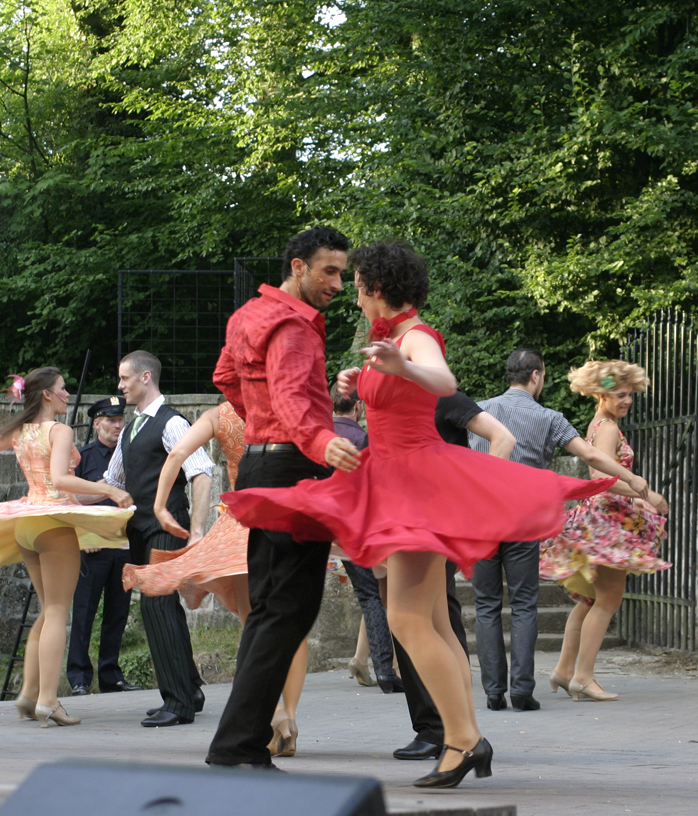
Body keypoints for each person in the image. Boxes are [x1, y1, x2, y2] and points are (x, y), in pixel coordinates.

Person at [224, 240, 618, 788]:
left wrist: (401, 363)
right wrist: (354, 382)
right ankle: (464, 735)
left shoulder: (415, 336)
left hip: (414, 484)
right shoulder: (388, 340)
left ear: (374, 288)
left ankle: (462, 739)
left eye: (354, 282)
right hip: (395, 480)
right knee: (433, 620)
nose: (349, 292)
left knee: (407, 619)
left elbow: (442, 382)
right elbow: (394, 390)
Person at [205, 225, 361, 770]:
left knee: (272, 607)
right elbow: (294, 398)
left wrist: (261, 426)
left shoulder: (248, 315)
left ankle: (237, 742)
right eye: (329, 271)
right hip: (295, 468)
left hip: (260, 464)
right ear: (297, 266)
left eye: (343, 272)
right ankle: (238, 745)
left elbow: (226, 376)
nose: (338, 283)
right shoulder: (295, 327)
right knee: (287, 609)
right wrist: (319, 439)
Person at [0, 367, 134, 728]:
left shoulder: (22, 430)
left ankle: (29, 694)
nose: (66, 394)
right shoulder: (58, 431)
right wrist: (110, 490)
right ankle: (48, 700)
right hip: (52, 522)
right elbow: (60, 479)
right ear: (47, 394)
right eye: (62, 389)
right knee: (59, 611)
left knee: (47, 611)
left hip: (27, 524)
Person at [123, 401, 311, 757]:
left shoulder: (219, 415)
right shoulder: (288, 404)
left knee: (252, 622)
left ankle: (272, 716)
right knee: (291, 621)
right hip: (288, 514)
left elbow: (178, 452)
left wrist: (160, 504)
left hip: (241, 523)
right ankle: (289, 714)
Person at [468, 348, 652, 712]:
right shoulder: (551, 418)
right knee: (523, 605)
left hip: (482, 520)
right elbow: (592, 457)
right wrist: (634, 480)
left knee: (487, 605)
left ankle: (493, 693)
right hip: (524, 520)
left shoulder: (477, 410)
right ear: (536, 376)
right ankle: (522, 690)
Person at [390, 389, 514, 762]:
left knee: (424, 619)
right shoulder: (395, 402)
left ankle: (447, 730)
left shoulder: (443, 397)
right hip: (403, 517)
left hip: (431, 520)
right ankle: (454, 731)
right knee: (431, 621)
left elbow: (503, 438)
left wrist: (478, 496)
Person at [539, 360, 670, 702]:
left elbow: (604, 481)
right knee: (608, 600)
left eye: (629, 395)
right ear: (602, 394)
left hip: (602, 516)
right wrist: (648, 494)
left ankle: (565, 670)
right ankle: (583, 676)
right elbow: (602, 481)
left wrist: (638, 502)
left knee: (588, 600)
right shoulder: (608, 427)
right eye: (620, 395)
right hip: (607, 520)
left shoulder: (598, 423)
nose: (627, 401)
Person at [103, 351, 214, 727]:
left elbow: (201, 472)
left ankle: (179, 703)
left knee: (157, 606)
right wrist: (63, 495)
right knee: (161, 609)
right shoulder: (131, 428)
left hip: (169, 528)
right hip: (141, 529)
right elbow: (113, 482)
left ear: (145, 377)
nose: (120, 386)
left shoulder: (172, 423)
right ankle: (190, 689)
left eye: (124, 379)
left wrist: (197, 531)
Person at [66, 396, 142, 696]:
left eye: (121, 419)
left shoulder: (130, 455)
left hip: (123, 545)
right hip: (93, 547)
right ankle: (79, 678)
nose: (118, 425)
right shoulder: (83, 458)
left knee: (117, 613)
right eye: (111, 420)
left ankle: (111, 675)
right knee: (84, 612)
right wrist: (84, 536)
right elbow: (69, 500)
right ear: (97, 423)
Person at [332, 388, 401, 692]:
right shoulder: (363, 440)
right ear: (359, 406)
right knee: (374, 594)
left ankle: (362, 659)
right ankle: (386, 668)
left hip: (324, 526)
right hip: (358, 528)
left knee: (368, 592)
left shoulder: (319, 436)